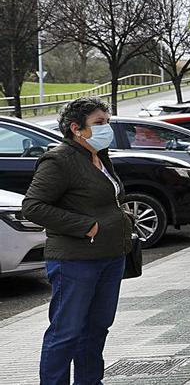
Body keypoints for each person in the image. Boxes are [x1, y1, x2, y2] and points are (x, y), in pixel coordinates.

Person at [21, 97, 132, 385]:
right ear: (76, 128)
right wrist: (87, 227)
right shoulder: (59, 160)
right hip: (76, 261)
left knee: (96, 329)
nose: (106, 128)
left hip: (110, 257)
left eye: (107, 122)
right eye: (99, 123)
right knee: (66, 332)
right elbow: (33, 206)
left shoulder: (99, 156)